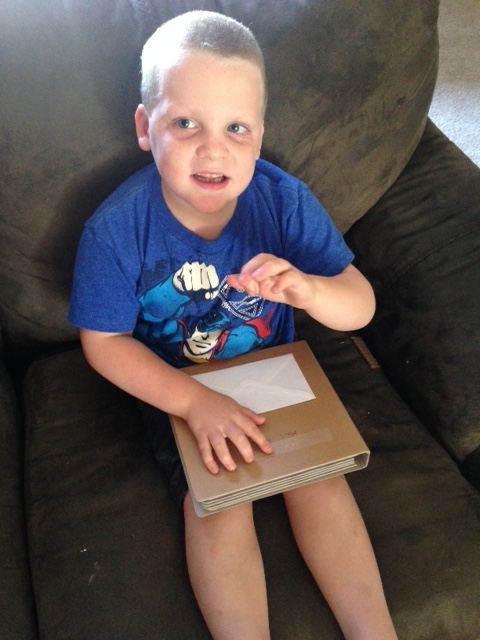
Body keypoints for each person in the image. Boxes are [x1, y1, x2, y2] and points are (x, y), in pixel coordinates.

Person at [69, 10, 397, 640]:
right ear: (146, 128)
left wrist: (310, 288)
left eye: (235, 127)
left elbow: (361, 305)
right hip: (176, 385)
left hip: (273, 372)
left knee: (321, 481)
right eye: (184, 123)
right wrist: (194, 403)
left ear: (259, 133)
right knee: (221, 506)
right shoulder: (116, 230)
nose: (213, 148)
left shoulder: (284, 201)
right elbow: (104, 343)